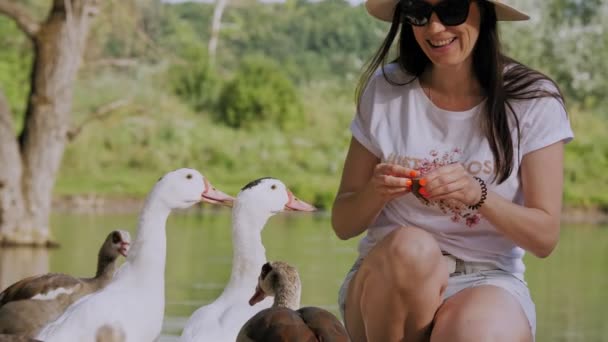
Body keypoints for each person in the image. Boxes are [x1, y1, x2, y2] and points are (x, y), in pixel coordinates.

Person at [331, 0, 574, 341]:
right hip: (386, 283)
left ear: (484, 11)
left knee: (476, 334)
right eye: (418, 12)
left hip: (487, 278)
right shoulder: (385, 88)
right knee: (411, 249)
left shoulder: (533, 100)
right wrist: (376, 191)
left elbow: (545, 238)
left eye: (452, 10)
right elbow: (343, 223)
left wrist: (479, 195)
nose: (434, 28)